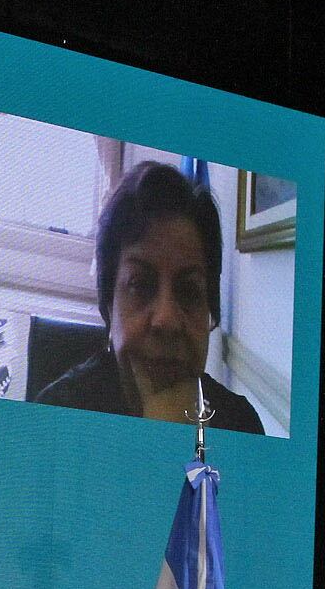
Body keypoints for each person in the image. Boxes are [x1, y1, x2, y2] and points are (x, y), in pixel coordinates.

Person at [33, 160, 264, 434]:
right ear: (110, 301)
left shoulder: (241, 424)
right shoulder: (54, 419)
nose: (165, 320)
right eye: (140, 285)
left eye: (189, 291)